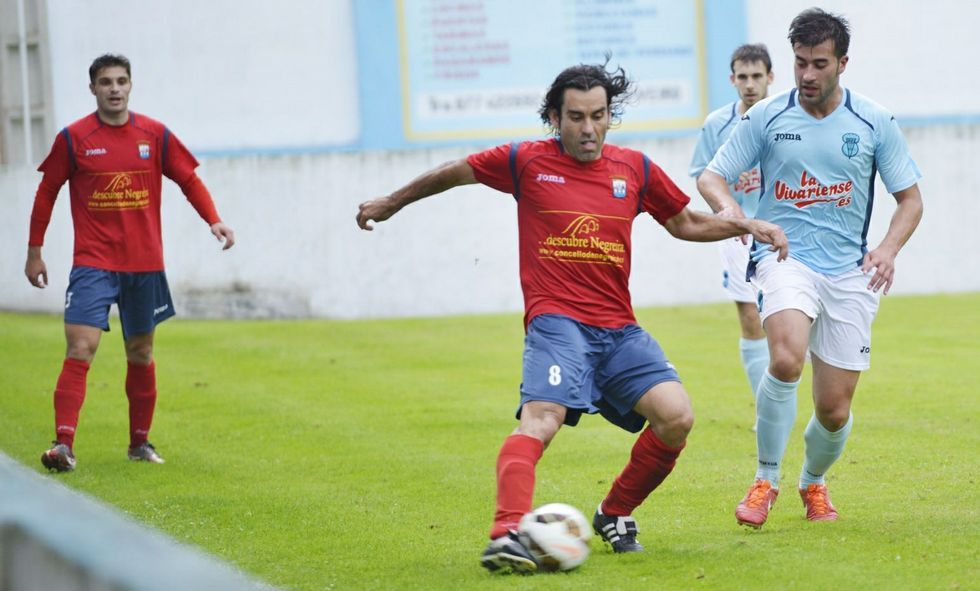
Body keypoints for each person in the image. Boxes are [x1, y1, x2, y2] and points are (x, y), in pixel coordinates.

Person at [357, 58, 787, 573]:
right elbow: (456, 172)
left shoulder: (635, 168)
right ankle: (505, 534)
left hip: (618, 329)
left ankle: (614, 512)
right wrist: (393, 200)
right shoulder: (524, 161)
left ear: (610, 116)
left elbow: (684, 222)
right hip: (556, 323)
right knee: (543, 420)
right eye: (576, 117)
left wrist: (747, 224)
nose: (588, 128)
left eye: (598, 116)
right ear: (555, 118)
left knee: (676, 418)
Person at [697, 8, 923, 528]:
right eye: (800, 63)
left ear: (843, 62)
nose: (807, 75)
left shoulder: (873, 121)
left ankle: (813, 482)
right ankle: (765, 480)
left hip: (849, 272)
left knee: (834, 410)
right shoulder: (767, 117)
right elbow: (713, 178)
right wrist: (737, 217)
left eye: (819, 64)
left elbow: (910, 199)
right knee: (784, 359)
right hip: (784, 259)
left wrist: (886, 249)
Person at [25, 54, 235, 472]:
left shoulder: (154, 135)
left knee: (140, 351)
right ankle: (63, 445)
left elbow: (188, 179)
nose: (115, 88)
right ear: (93, 89)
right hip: (93, 263)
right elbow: (47, 191)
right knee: (81, 347)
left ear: (131, 85)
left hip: (144, 265)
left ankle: (139, 444)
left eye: (121, 81)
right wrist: (34, 251)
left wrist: (214, 219)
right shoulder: (74, 138)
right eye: (106, 82)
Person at [689, 43, 775, 431]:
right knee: (749, 316)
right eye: (743, 76)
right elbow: (702, 174)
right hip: (737, 233)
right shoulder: (716, 124)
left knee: (789, 317)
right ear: (732, 79)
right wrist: (728, 210)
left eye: (757, 76)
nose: (750, 83)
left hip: (782, 227)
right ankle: (767, 409)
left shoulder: (787, 119)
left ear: (770, 77)